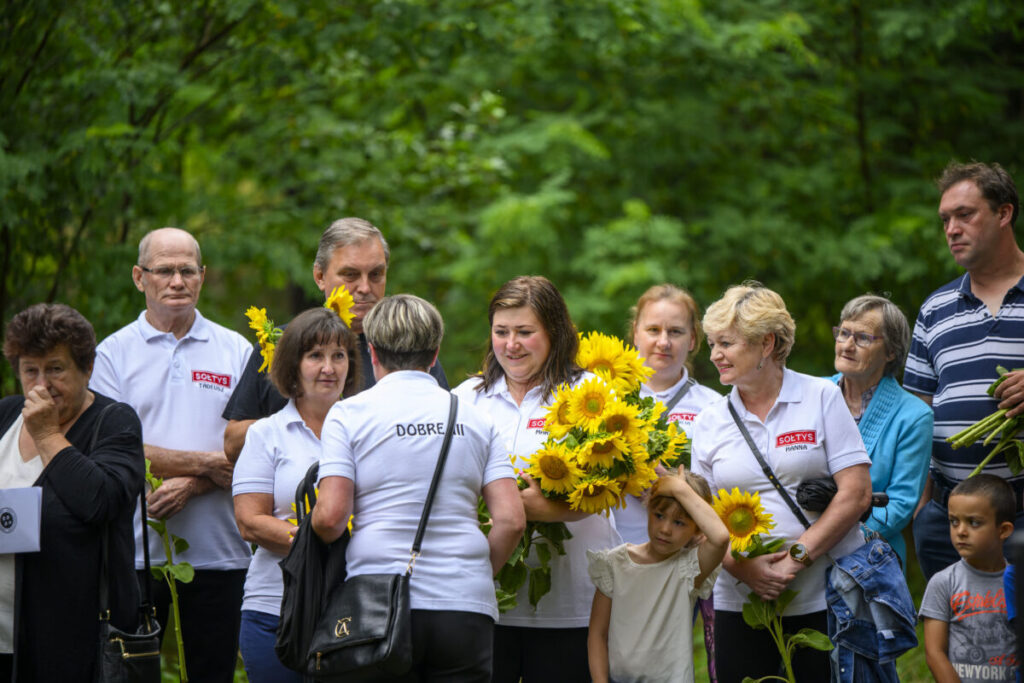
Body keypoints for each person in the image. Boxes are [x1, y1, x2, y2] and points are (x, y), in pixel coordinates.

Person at [312, 294, 524, 681]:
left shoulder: (349, 414)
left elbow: (329, 518)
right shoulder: (476, 419)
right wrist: (472, 571)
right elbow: (510, 520)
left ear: (372, 351)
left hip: (376, 604)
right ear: (435, 353)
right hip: (465, 605)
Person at [89, 227, 253, 682]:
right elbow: (111, 450)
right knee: (131, 675)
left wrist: (193, 486)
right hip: (137, 554)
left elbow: (255, 445)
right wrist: (205, 465)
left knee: (213, 674)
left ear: (203, 275)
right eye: (164, 270)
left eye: (187, 270)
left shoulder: (237, 350)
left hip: (223, 550)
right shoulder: (112, 355)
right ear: (140, 277)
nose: (177, 281)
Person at [692, 282, 872, 683]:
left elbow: (856, 492)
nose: (715, 355)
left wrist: (797, 556)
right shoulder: (709, 420)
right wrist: (743, 568)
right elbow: (698, 517)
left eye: (727, 343)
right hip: (740, 601)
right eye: (712, 344)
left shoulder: (821, 396)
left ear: (767, 343)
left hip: (825, 594)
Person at [453, 275, 622, 683]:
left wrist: (547, 509)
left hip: (575, 603)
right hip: (490, 599)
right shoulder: (465, 400)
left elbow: (613, 486)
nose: (511, 344)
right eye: (501, 332)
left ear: (555, 334)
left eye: (525, 332)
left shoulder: (592, 394)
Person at [222, 217, 448, 461]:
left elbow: (445, 435)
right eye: (350, 275)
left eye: (376, 275)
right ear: (319, 276)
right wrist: (298, 421)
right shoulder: (278, 345)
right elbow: (232, 444)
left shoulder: (410, 348)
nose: (364, 287)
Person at [0, 303, 145, 680]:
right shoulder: (5, 414)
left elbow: (99, 501)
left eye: (56, 369)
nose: (41, 384)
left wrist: (48, 434)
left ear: (88, 368)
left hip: (72, 644)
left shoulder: (114, 422)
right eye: (30, 370)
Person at [905, 161, 1024, 580]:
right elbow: (915, 414)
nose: (951, 229)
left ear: (1003, 213)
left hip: (1022, 513)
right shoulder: (935, 309)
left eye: (964, 215)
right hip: (947, 520)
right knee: (957, 644)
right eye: (945, 220)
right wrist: (921, 509)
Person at [232, 307, 360, 683]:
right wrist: (324, 548)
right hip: (275, 610)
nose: (329, 367)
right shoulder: (266, 433)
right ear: (292, 365)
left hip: (351, 613)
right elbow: (249, 522)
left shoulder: (367, 432)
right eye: (315, 355)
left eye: (339, 355)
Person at [587, 469, 728, 683]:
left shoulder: (689, 568)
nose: (665, 529)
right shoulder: (613, 564)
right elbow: (598, 635)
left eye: (679, 523)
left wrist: (679, 489)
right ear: (648, 508)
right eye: (659, 515)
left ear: (698, 530)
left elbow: (720, 538)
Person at [829, 294, 933, 568]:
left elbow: (900, 505)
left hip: (870, 560)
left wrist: (830, 540)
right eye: (843, 333)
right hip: (800, 542)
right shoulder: (810, 394)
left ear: (891, 352)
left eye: (863, 338)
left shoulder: (914, 416)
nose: (847, 345)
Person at [614, 284, 721, 543]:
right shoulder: (605, 398)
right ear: (635, 334)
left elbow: (721, 489)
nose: (663, 342)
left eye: (675, 332)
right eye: (653, 330)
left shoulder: (715, 407)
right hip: (612, 550)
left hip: (683, 559)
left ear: (693, 339)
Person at [920, 474, 1017, 682]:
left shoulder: (1018, 583)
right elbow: (934, 653)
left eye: (974, 523)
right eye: (954, 521)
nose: (961, 531)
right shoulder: (943, 582)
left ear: (1004, 530)